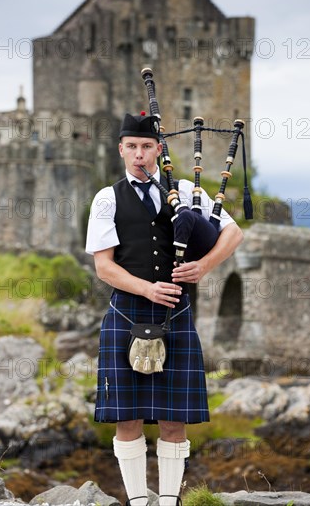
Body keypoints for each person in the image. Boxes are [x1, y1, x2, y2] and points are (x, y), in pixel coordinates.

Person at [86, 113, 244, 506]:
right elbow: (104, 267)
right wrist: (147, 289)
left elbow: (233, 232)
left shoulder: (187, 190)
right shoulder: (108, 198)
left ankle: (170, 501)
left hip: (175, 315)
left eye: (147, 146)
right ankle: (139, 501)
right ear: (121, 149)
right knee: (127, 418)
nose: (140, 154)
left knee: (175, 419)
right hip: (127, 313)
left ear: (159, 149)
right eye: (132, 147)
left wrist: (205, 266)